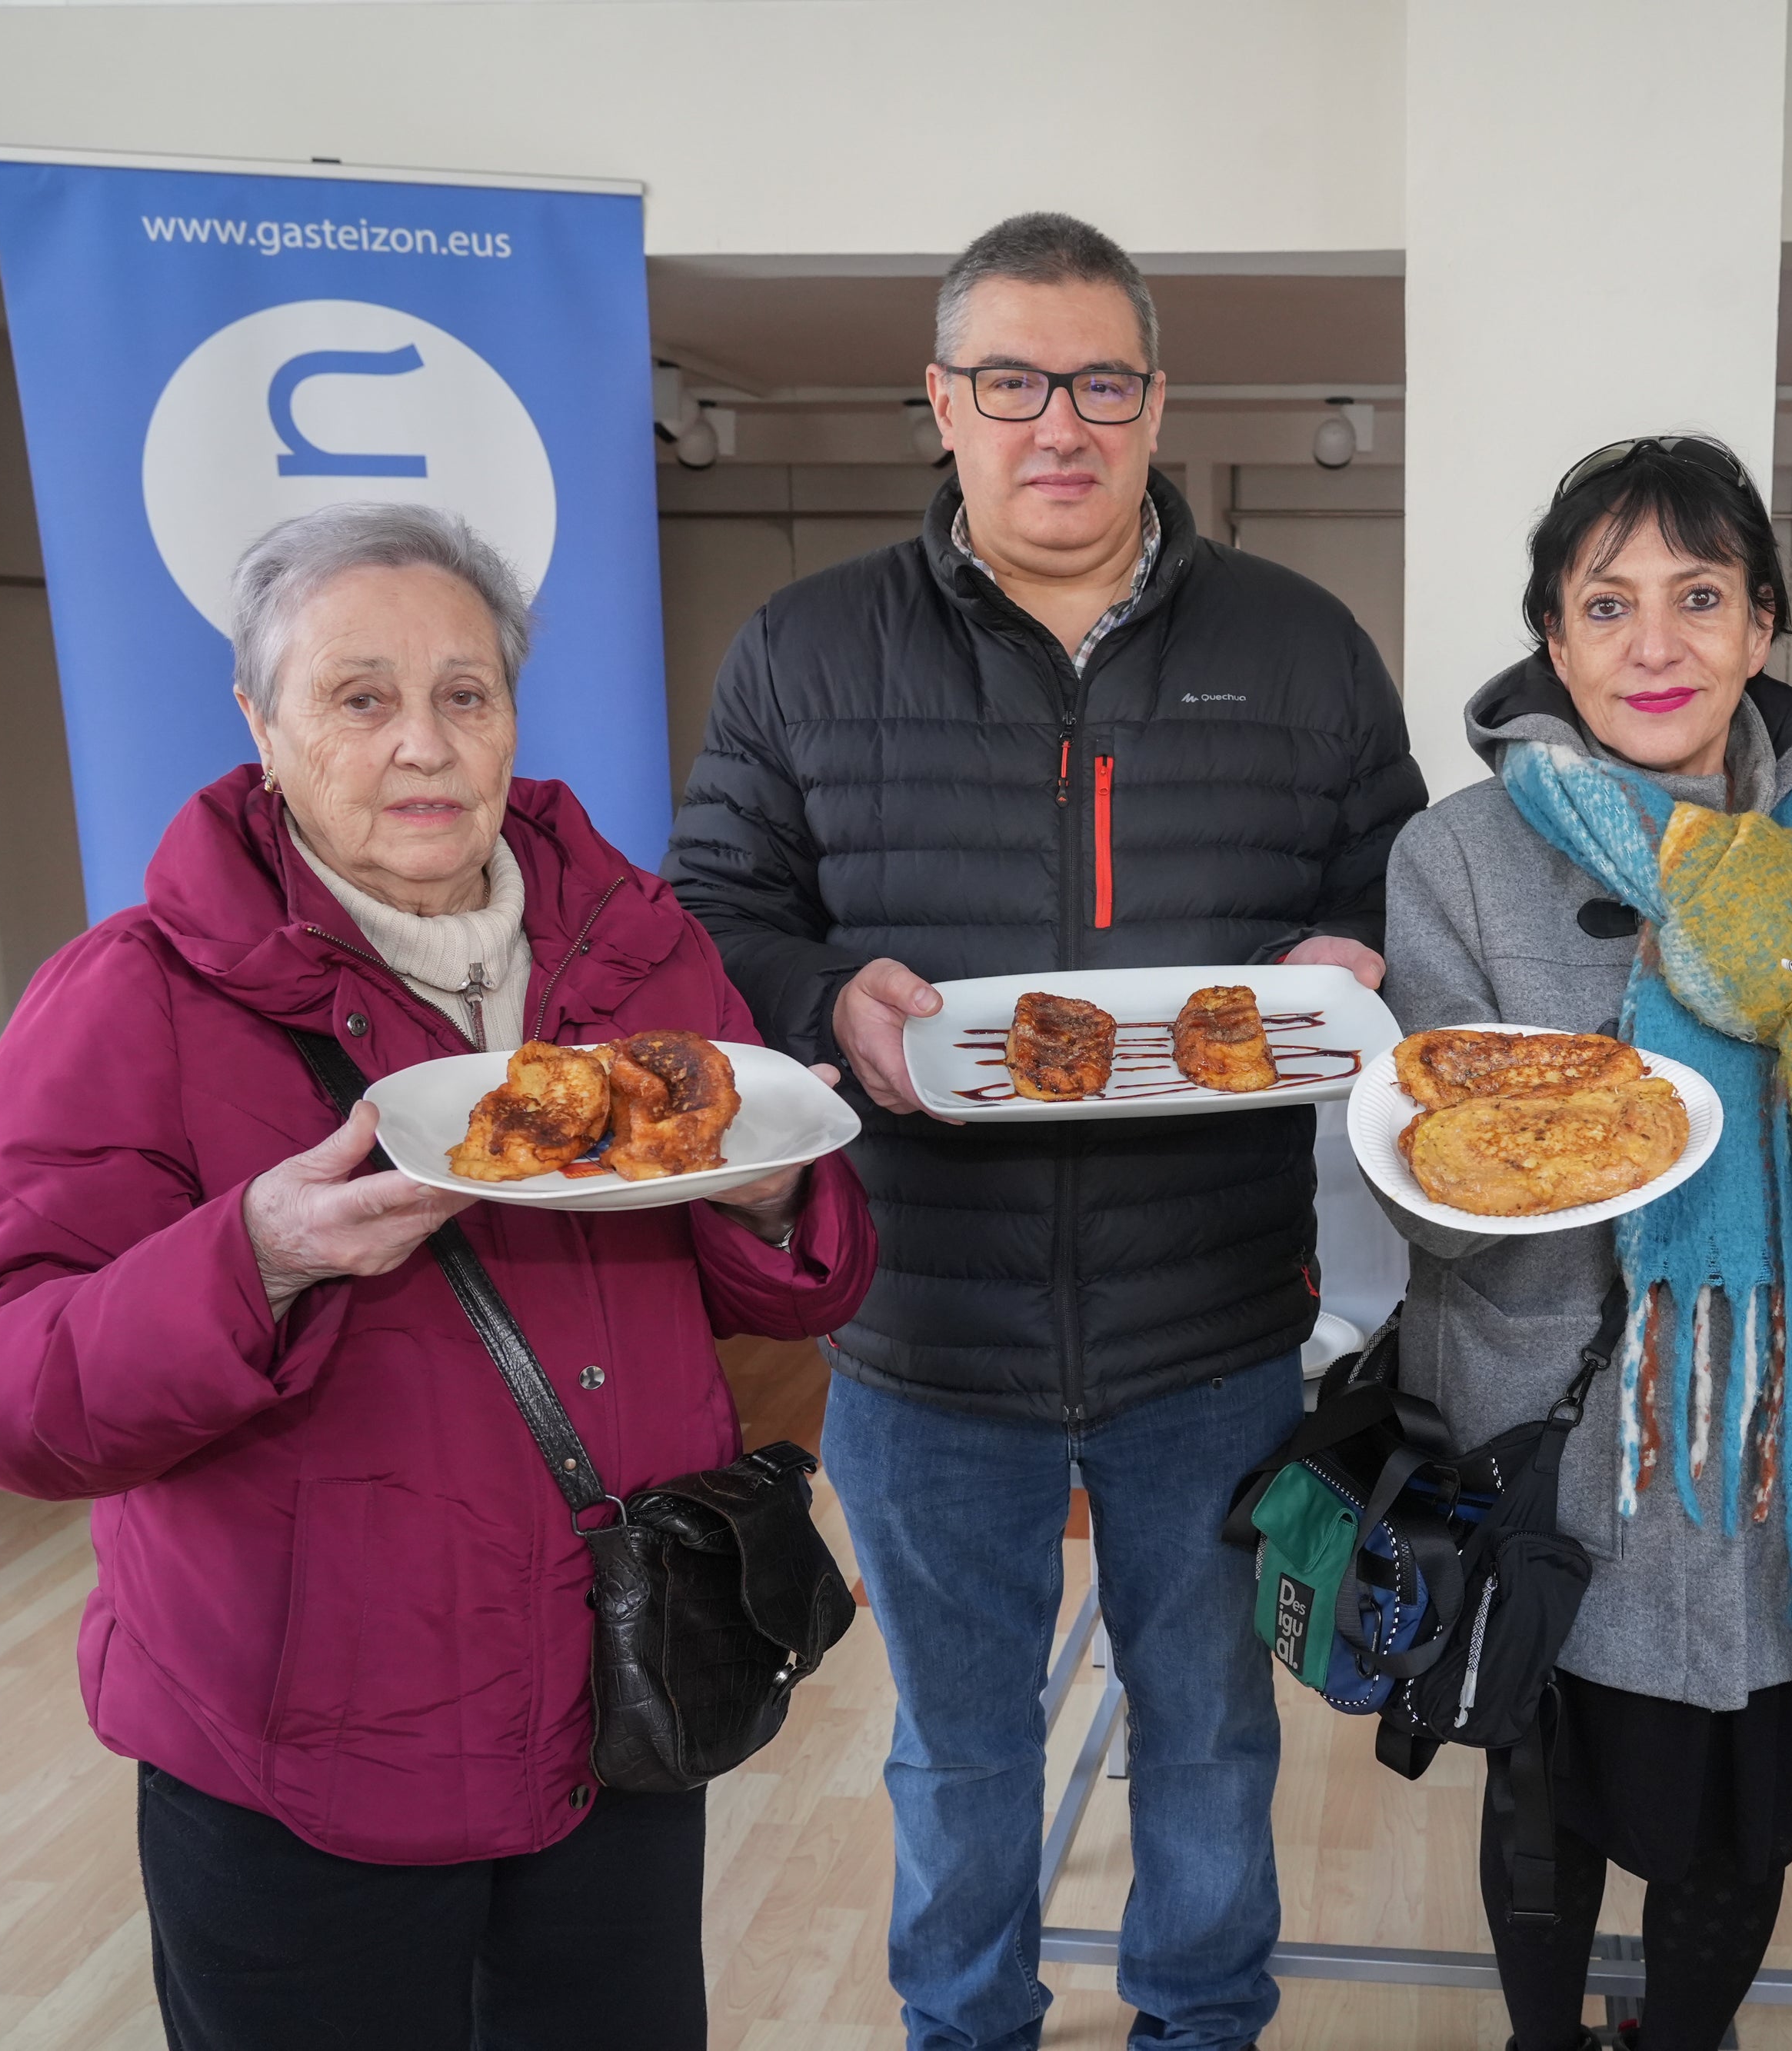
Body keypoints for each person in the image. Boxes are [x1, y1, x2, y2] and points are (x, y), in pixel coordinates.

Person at [0, 504, 878, 2051]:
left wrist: (772, 1196)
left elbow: (778, 1295)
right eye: (360, 698)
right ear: (261, 719)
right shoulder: (135, 999)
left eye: (465, 693)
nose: (422, 745)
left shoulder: (640, 957)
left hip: (619, 1695)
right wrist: (252, 1260)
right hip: (305, 1748)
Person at [665, 212, 1424, 2051]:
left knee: (1213, 1730)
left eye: (1098, 380)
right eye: (1008, 380)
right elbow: (712, 907)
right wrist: (823, 994)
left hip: (1217, 1325)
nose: (1055, 423)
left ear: (1157, 401)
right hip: (921, 1332)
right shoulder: (803, 646)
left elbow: (1390, 875)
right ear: (942, 402)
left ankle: (1198, 2020)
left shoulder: (1300, 644)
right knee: (956, 1745)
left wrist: (1359, 946)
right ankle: (966, 2024)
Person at [1381, 436, 1792, 2051]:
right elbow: (1425, 1167)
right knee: (1546, 1778)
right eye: (1607, 602)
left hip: (1784, 1434)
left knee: (1741, 1799)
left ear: (1759, 625)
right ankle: (1538, 2037)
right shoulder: (1453, 855)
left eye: (1697, 595)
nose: (1655, 642)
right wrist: (1559, 1159)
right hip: (1558, 1427)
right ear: (1551, 640)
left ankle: (1685, 2035)